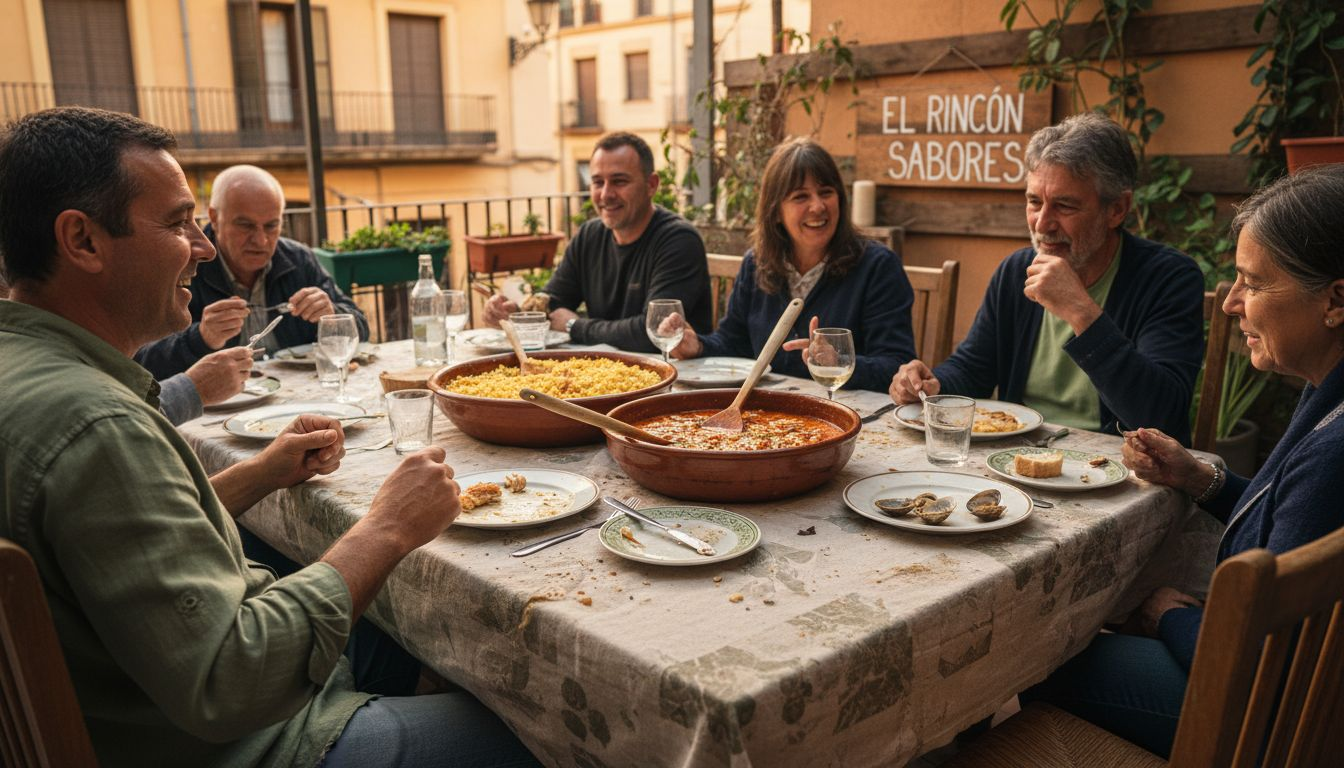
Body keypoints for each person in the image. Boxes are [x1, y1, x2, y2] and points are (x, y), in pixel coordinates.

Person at [0, 107, 537, 767]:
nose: (200, 246)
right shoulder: (95, 425)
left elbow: (131, 536)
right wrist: (388, 527)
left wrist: (262, 470)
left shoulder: (27, 373)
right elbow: (235, 679)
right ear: (82, 240)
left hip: (135, 700)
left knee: (418, 635)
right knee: (531, 729)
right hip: (232, 742)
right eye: (176, 223)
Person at [1018, 164, 1344, 758]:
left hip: (1268, 719)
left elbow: (1258, 660)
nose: (1232, 304)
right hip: (1287, 682)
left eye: (1254, 282)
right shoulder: (1330, 390)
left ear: (1336, 299)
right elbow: (1293, 510)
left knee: (1040, 653)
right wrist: (1199, 477)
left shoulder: (1335, 452)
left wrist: (1169, 614)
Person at [888, 112, 1205, 443]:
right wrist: (933, 384)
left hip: (1123, 468)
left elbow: (1162, 414)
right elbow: (973, 369)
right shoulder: (1015, 271)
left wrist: (1081, 311)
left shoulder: (1168, 278)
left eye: (1064, 206)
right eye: (1034, 201)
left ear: (1117, 210)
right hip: (1017, 456)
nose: (1042, 223)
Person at [665, 137, 916, 391]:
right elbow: (733, 342)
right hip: (771, 417)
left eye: (826, 192)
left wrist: (839, 362)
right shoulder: (756, 263)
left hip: (852, 416)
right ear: (775, 212)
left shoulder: (877, 267)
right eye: (800, 197)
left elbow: (896, 366)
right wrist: (696, 346)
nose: (818, 206)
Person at [482, 132, 712, 351]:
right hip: (611, 373)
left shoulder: (678, 240)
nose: (605, 195)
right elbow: (553, 303)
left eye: (619, 181)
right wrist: (514, 313)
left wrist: (575, 326)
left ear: (651, 185)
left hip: (675, 377)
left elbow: (652, 333)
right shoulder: (589, 235)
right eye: (597, 182)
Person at [135, 164, 368, 379]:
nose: (261, 240)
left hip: (295, 396)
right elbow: (140, 361)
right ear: (215, 218)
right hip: (211, 409)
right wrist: (202, 337)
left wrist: (331, 315)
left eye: (271, 226)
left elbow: (361, 328)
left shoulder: (298, 259)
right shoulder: (183, 266)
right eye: (245, 225)